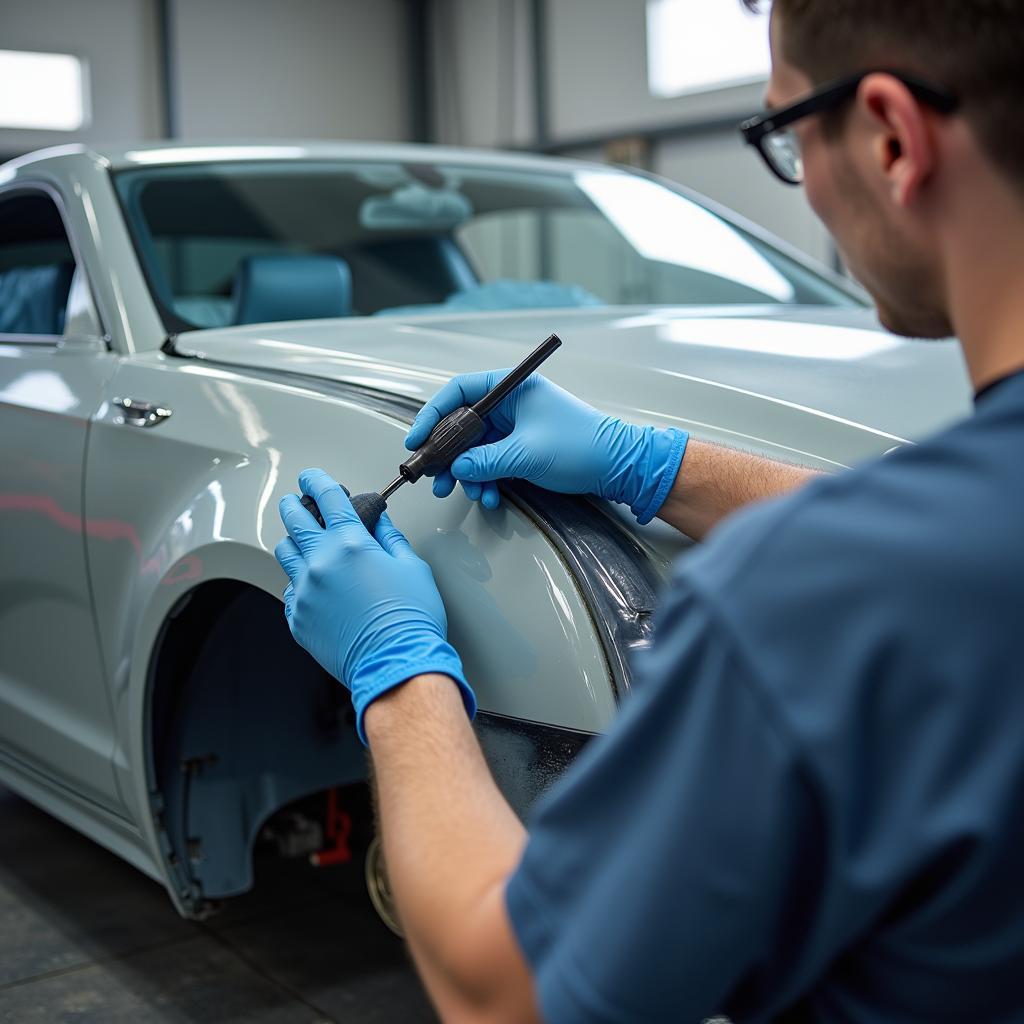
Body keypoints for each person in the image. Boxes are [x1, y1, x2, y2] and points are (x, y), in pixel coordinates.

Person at [274, 1, 1024, 1019]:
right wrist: (652, 462)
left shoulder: (809, 598)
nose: (799, 173)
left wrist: (396, 670)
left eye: (782, 132)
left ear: (890, 135)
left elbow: (509, 993)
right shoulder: (913, 560)